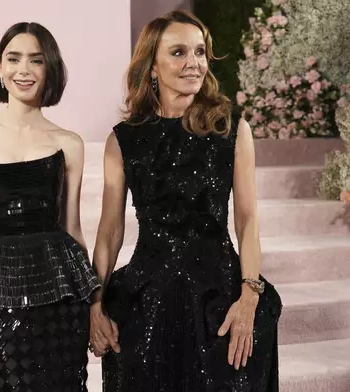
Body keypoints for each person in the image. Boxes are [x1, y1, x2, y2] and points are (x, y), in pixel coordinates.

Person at [89, 10, 283, 392]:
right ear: (153, 67)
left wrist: (248, 296)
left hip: (221, 298)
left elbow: (247, 220)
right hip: (148, 301)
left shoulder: (231, 127)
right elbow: (110, 231)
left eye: (199, 52)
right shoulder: (123, 140)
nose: (193, 63)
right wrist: (95, 304)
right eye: (178, 52)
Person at [0, 22, 100, 392]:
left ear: (49, 68)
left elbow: (73, 230)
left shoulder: (69, 143)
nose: (23, 70)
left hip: (62, 295)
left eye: (35, 60)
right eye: (13, 59)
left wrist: (96, 305)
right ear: (0, 67)